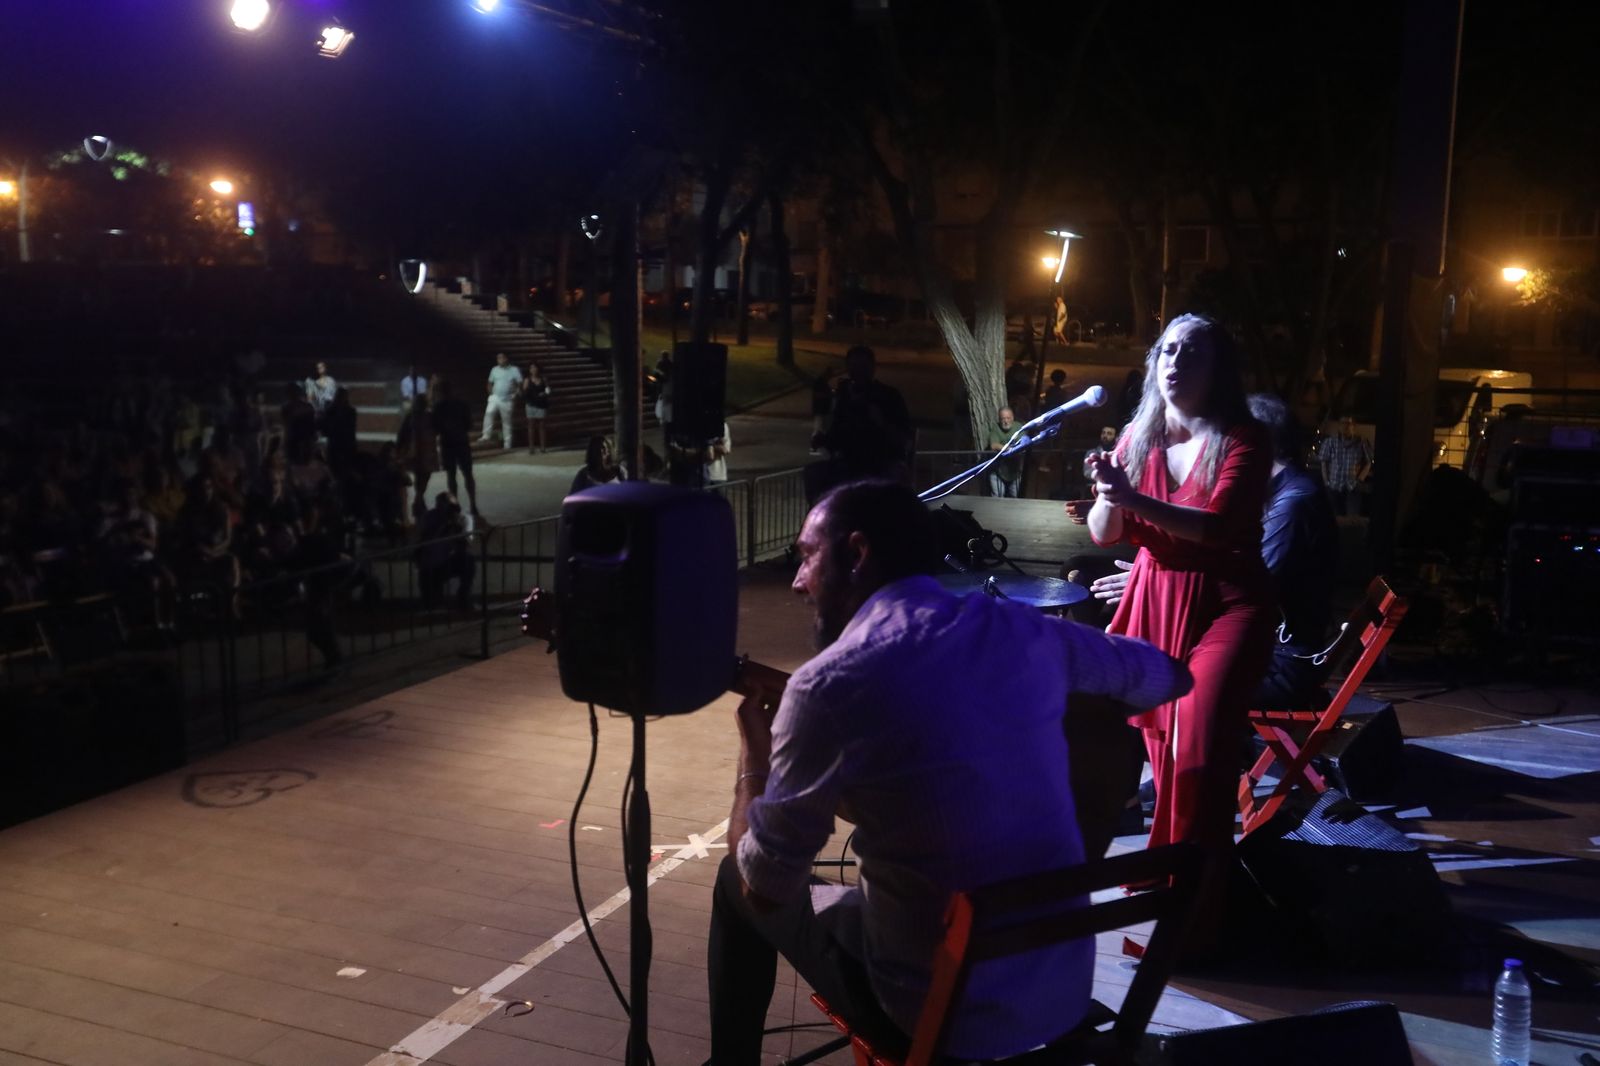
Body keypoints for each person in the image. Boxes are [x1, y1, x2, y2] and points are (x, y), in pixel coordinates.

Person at [707, 480, 1192, 1064]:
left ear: (857, 553)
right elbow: (1168, 676)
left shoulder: (827, 686)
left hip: (939, 1015)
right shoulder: (1018, 629)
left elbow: (764, 887)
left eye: (808, 556)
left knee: (730, 884)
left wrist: (754, 759)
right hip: (1055, 992)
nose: (797, 580)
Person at [1083, 313, 1274, 952]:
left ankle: (1195, 924)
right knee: (1165, 759)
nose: (1175, 362)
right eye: (1167, 349)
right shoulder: (1138, 435)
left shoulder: (1244, 439)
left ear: (1218, 368)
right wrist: (1111, 491)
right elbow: (1104, 534)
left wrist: (1131, 500)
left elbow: (1216, 529)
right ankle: (1176, 885)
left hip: (1226, 606)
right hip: (1158, 597)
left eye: (1192, 352)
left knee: (1198, 752)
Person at [1090, 393, 1339, 712]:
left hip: (1277, 665)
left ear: (1261, 441)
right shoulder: (1286, 492)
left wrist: (1163, 582)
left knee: (1153, 670)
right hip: (1270, 652)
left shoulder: (1295, 503)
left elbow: (1253, 585)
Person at [807, 345, 911, 503]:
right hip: (849, 465)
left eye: (863, 367)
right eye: (853, 367)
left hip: (881, 463)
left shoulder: (889, 396)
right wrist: (822, 439)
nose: (858, 372)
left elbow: (903, 438)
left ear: (872, 368)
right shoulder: (843, 397)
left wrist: (881, 422)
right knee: (814, 475)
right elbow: (837, 436)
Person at [415, 492, 475, 610]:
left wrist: (457, 529)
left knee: (468, 560)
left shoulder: (464, 518)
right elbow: (423, 542)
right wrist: (442, 526)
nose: (447, 512)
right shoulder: (429, 517)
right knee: (430, 604)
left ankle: (464, 595)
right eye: (442, 507)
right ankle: (435, 593)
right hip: (430, 564)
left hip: (449, 561)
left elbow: (466, 545)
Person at [430, 381, 480, 517]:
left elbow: (435, 427)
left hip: (448, 443)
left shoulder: (438, 407)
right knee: (468, 474)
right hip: (462, 441)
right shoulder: (461, 404)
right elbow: (469, 424)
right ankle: (473, 504)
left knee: (451, 476)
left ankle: (455, 505)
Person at [396, 392, 439, 519]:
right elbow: (403, 433)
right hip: (420, 451)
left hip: (422, 451)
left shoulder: (423, 416)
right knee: (422, 476)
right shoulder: (416, 416)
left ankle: (419, 500)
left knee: (422, 476)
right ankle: (419, 501)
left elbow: (402, 435)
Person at [1318, 415, 1371, 516]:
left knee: (1351, 520)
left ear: (1354, 427)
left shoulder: (1362, 443)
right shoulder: (1330, 442)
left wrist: (1360, 480)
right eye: (1343, 424)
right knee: (1333, 518)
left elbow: (1369, 462)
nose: (1345, 426)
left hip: (1352, 488)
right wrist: (1326, 481)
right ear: (1339, 426)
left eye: (1348, 424)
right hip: (1333, 487)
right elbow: (1323, 462)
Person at [480, 352, 522, 450]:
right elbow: (490, 382)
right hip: (495, 397)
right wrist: (490, 393)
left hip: (507, 399)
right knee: (489, 413)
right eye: (498, 358)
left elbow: (519, 383)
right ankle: (486, 435)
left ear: (507, 358)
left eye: (502, 358)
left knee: (506, 421)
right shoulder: (494, 369)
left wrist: (516, 394)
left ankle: (507, 443)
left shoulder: (514, 370)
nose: (500, 360)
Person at [985, 406, 1023, 497]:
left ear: (1012, 418)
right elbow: (994, 445)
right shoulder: (996, 428)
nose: (1005, 421)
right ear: (999, 419)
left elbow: (1023, 443)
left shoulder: (1018, 427)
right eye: (1003, 418)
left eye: (1008, 418)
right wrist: (1009, 449)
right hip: (997, 470)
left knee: (1015, 496)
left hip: (1015, 471)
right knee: (998, 495)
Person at [521, 363, 551, 454]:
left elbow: (548, 389)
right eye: (531, 368)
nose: (533, 370)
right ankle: (531, 447)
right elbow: (524, 392)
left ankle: (543, 447)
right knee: (531, 426)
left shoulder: (543, 379)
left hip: (541, 404)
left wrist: (545, 394)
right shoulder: (527, 380)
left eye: (535, 368)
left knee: (542, 426)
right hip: (531, 404)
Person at [809, 368, 835, 455]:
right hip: (820, 410)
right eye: (830, 374)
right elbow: (818, 394)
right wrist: (829, 395)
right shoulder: (819, 382)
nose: (831, 376)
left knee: (824, 429)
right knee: (818, 430)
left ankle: (822, 446)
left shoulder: (823, 382)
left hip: (824, 410)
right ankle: (814, 447)